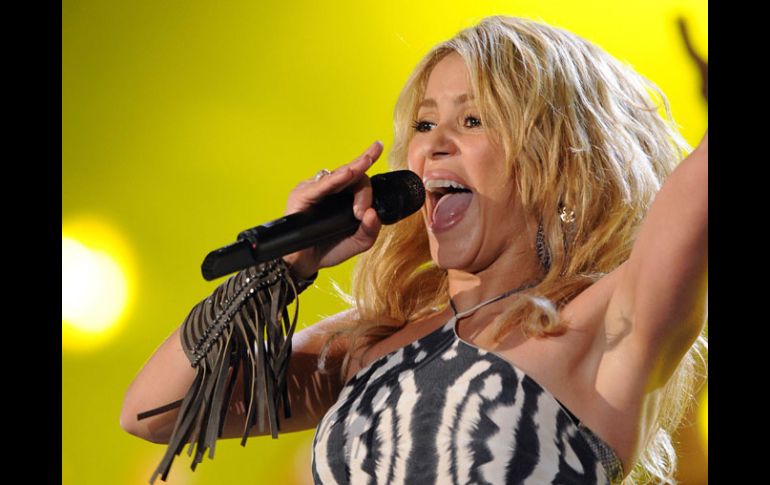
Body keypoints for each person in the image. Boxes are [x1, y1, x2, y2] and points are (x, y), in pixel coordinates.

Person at [121, 16, 708, 485]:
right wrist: (285, 266)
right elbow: (155, 411)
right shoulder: (368, 346)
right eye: (425, 125)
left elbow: (692, 205)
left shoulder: (600, 326)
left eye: (473, 119)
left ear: (555, 160)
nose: (434, 146)